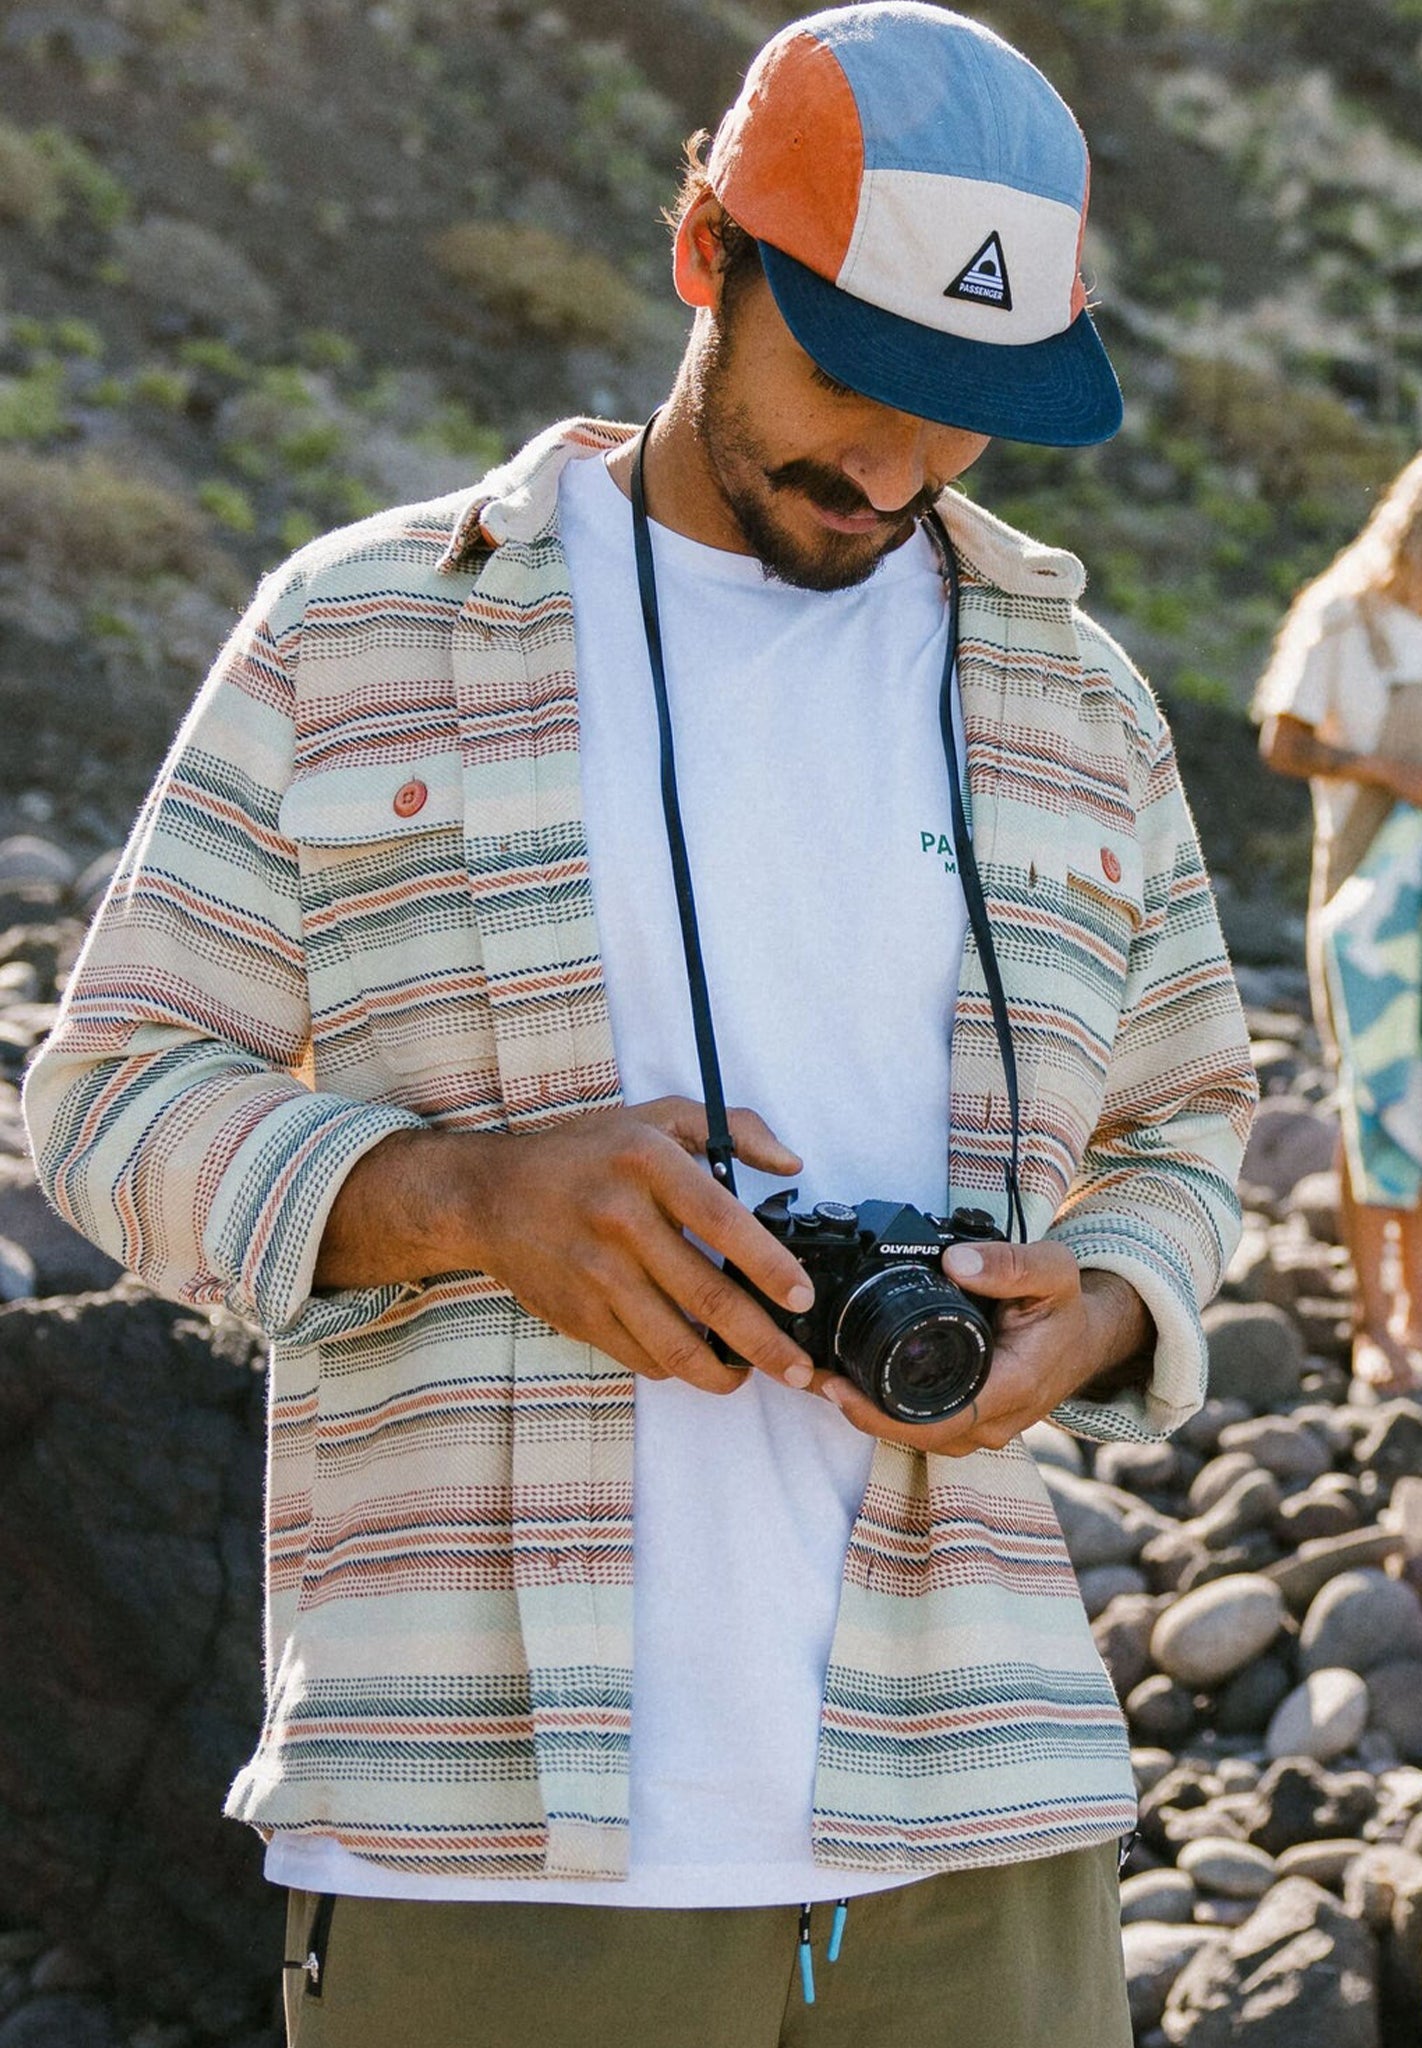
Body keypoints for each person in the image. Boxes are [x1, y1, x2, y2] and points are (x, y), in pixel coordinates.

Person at [25, 7, 1256, 2044]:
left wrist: (1107, 1308)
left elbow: (1190, 1118)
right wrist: (463, 1200)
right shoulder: (360, 625)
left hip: (980, 1832)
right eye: (853, 377)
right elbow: (102, 1097)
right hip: (485, 1848)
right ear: (705, 251)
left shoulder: (1082, 701)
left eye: (964, 411)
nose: (896, 463)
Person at [1256, 451, 1422, 1397]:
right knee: (1372, 1094)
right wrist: (1383, 770)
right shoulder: (1342, 617)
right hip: (1361, 896)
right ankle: (1374, 1322)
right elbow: (1282, 741)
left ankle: (1418, 1315)